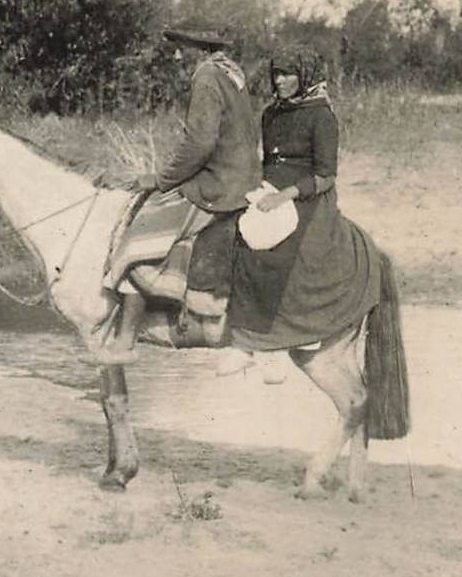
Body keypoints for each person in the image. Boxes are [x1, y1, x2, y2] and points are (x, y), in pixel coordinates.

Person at [95, 23, 261, 365]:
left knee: (140, 232)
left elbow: (200, 143)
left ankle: (126, 340)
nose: (175, 55)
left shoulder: (205, 77)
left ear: (200, 49)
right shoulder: (232, 73)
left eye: (181, 48)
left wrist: (161, 179)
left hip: (220, 184)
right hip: (241, 176)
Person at [227, 47, 382, 372]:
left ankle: (279, 343)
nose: (280, 81)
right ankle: (247, 339)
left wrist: (284, 197)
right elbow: (268, 161)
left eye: (287, 74)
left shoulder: (322, 116)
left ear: (304, 76)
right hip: (271, 188)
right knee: (239, 233)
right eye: (276, 74)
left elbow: (326, 175)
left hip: (308, 194)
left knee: (278, 245)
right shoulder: (271, 113)